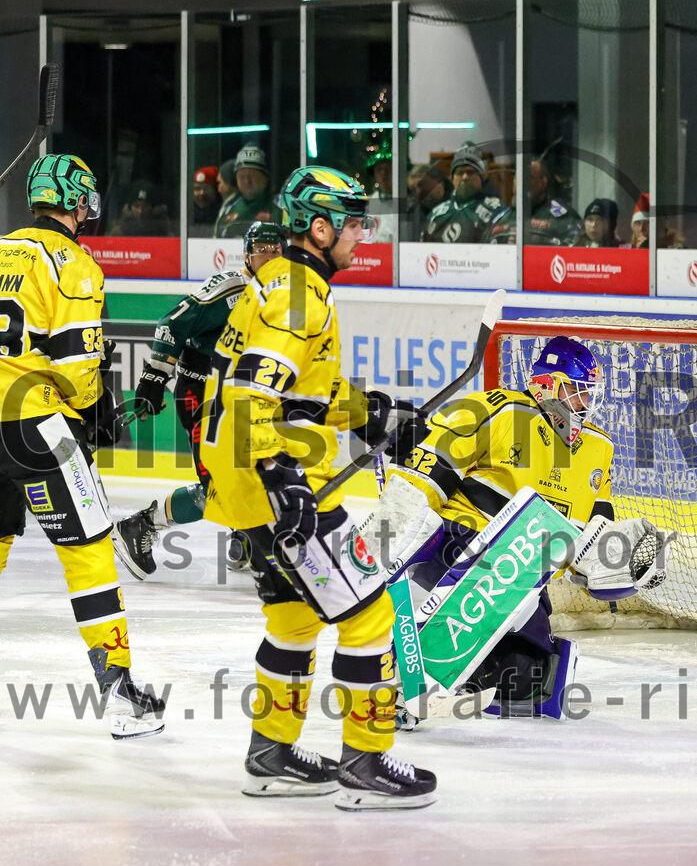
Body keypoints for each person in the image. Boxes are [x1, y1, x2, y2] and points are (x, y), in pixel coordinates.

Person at [199, 165, 436, 809]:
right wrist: (285, 480)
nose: (363, 233)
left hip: (245, 485)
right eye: (355, 222)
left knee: (295, 617)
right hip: (279, 483)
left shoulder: (280, 283)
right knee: (370, 617)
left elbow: (298, 389)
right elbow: (253, 393)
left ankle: (270, 753)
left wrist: (370, 413)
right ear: (321, 227)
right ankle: (366, 761)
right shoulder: (301, 294)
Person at [371, 337, 662, 720]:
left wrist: (621, 567)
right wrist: (391, 543)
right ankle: (407, 672)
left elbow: (590, 540)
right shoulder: (495, 410)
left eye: (590, 395)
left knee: (525, 683)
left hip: (526, 578)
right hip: (457, 551)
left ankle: (461, 678)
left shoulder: (598, 449)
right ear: (550, 385)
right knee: (500, 580)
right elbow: (422, 484)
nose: (585, 405)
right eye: (578, 392)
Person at [0, 153, 165, 738]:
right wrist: (94, 415)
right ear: (76, 202)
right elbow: (75, 367)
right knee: (91, 548)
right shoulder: (73, 263)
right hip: (37, 424)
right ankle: (120, 693)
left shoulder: (1, 247)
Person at [112, 222, 288, 579]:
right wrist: (153, 377)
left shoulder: (286, 295)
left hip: (245, 402)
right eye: (261, 251)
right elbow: (172, 323)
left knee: (263, 472)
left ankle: (246, 539)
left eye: (275, 251)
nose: (269, 257)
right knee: (217, 488)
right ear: (248, 254)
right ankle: (140, 526)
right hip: (202, 396)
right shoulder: (229, 289)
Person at [422, 143, 509, 243]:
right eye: (460, 173)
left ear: (481, 177)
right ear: (452, 178)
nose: (465, 177)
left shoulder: (495, 210)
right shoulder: (437, 214)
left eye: (470, 172)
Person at [488, 158, 583, 246]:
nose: (521, 183)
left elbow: (576, 250)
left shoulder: (562, 216)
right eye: (518, 177)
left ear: (543, 182)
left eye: (528, 178)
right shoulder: (503, 217)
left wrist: (539, 243)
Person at [213, 143, 282, 239]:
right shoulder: (228, 206)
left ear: (265, 178)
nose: (247, 181)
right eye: (241, 176)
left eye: (252, 176)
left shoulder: (280, 206)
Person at [108, 180, 174, 237]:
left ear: (153, 208)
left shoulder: (163, 231)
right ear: (129, 208)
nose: (140, 211)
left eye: (145, 206)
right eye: (136, 206)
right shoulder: (119, 232)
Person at [405, 163, 451, 241]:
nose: (418, 191)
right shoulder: (413, 213)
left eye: (422, 184)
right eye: (413, 188)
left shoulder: (459, 206)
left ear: (438, 180)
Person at [365, 145, 397, 244]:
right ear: (374, 175)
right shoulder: (366, 204)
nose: (384, 174)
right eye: (379, 169)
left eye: (388, 169)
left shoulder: (408, 204)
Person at [191, 165, 221, 236]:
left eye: (206, 189)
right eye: (197, 189)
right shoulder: (189, 213)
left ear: (216, 190)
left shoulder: (222, 213)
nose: (201, 193)